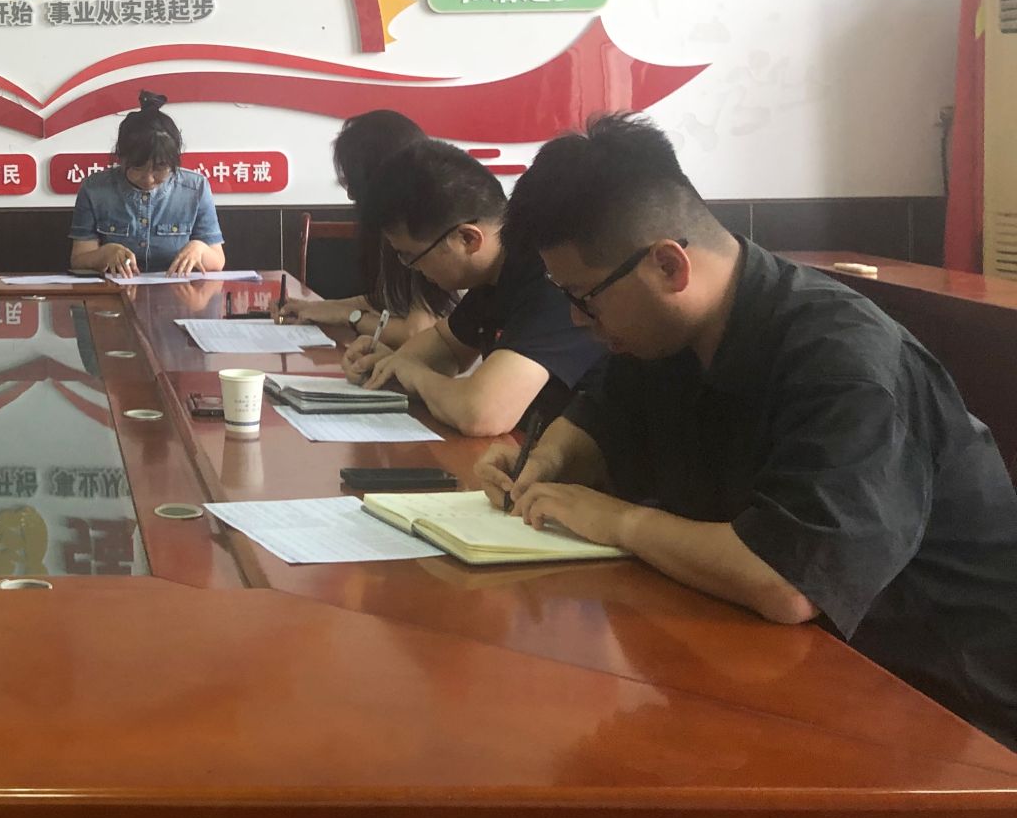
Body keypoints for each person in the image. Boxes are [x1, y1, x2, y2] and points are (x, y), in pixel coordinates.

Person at [480, 113, 1017, 755]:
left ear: (668, 266)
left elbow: (788, 583)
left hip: (944, 717)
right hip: (789, 667)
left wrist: (616, 521)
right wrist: (542, 466)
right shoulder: (661, 335)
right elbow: (596, 423)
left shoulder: (843, 359)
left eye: (583, 297)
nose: (576, 319)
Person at [353, 138, 603, 437]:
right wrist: (391, 363)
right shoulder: (494, 275)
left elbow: (482, 413)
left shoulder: (552, 279)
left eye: (411, 256)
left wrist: (414, 374)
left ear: (468, 239)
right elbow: (446, 348)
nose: (412, 268)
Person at [275, 109, 455, 375]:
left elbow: (416, 331)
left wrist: (349, 317)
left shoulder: (425, 233)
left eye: (356, 183)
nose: (350, 194)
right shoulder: (391, 228)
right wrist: (314, 309)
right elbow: (384, 301)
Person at [67, 92, 225, 276]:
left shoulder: (196, 188)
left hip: (177, 289)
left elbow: (218, 261)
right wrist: (105, 253)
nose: (149, 178)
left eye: (160, 168)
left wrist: (199, 249)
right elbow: (79, 260)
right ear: (121, 158)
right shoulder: (95, 189)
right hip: (116, 289)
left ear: (174, 161)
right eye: (138, 168)